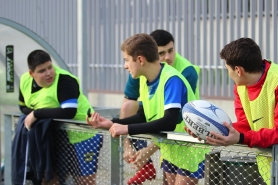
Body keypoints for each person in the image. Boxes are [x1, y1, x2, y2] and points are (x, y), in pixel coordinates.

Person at [87, 33, 207, 185]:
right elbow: (142, 115)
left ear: (140, 60)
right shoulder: (145, 80)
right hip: (170, 147)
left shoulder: (172, 79)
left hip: (188, 148)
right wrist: (112, 123)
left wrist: (127, 129)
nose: (125, 65)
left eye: (126, 60)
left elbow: (169, 121)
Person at [186, 37, 277, 185]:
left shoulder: (276, 81)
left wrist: (241, 138)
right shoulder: (241, 86)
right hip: (269, 169)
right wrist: (208, 131)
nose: (228, 74)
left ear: (238, 70)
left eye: (227, 69)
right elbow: (245, 124)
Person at [120, 29, 201, 184]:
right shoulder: (143, 75)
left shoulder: (183, 73)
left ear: (141, 59)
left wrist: (147, 150)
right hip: (168, 142)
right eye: (162, 53)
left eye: (171, 51)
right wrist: (124, 139)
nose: (168, 57)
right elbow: (133, 109)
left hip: (186, 140)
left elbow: (172, 119)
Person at [18, 50, 102, 184]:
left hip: (83, 136)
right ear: (31, 74)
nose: (49, 73)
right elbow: (22, 106)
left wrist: (36, 114)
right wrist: (37, 113)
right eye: (42, 71)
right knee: (50, 179)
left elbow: (68, 112)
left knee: (85, 182)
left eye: (50, 67)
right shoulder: (24, 80)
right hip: (55, 138)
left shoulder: (65, 80)